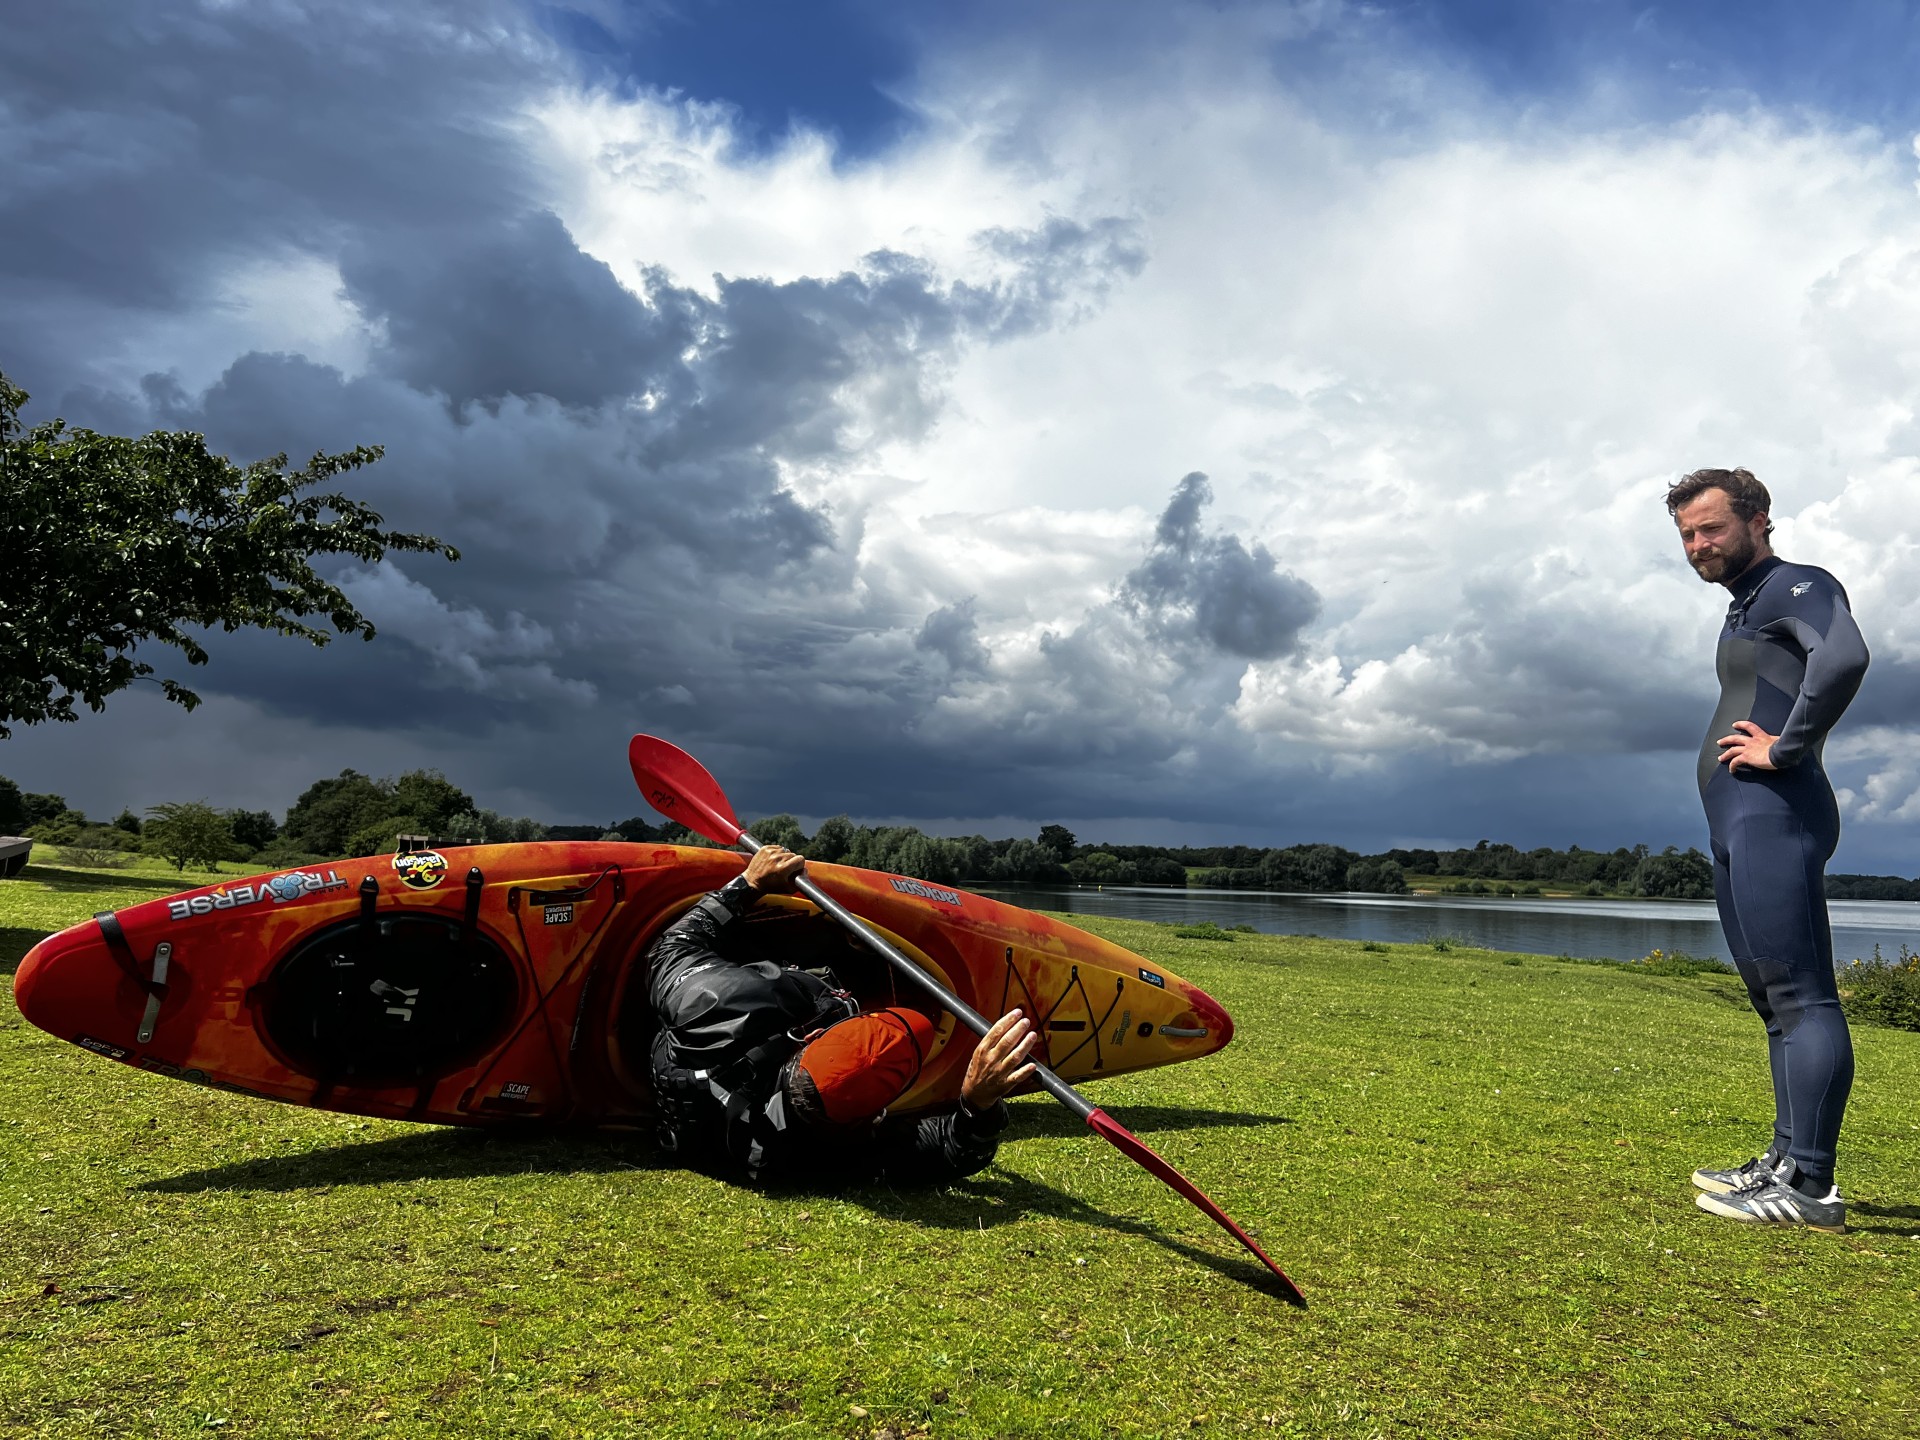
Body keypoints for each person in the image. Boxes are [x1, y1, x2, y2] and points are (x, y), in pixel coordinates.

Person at [1667, 468, 1870, 1232]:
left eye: (1711, 528)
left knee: (1802, 995)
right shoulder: (1745, 606)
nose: (1697, 545)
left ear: (1758, 520)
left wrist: (1788, 749)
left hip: (1774, 813)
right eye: (1687, 534)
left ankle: (1813, 1187)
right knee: (1771, 1001)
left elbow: (1845, 658)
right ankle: (1785, 1161)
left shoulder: (1797, 585)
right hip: (1741, 821)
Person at [646, 843, 1042, 1184]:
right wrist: (978, 1104)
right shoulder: (817, 1153)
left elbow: (672, 946)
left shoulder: (716, 1001)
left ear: (812, 1035)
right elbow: (952, 1150)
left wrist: (748, 884)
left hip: (712, 1027)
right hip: (743, 1048)